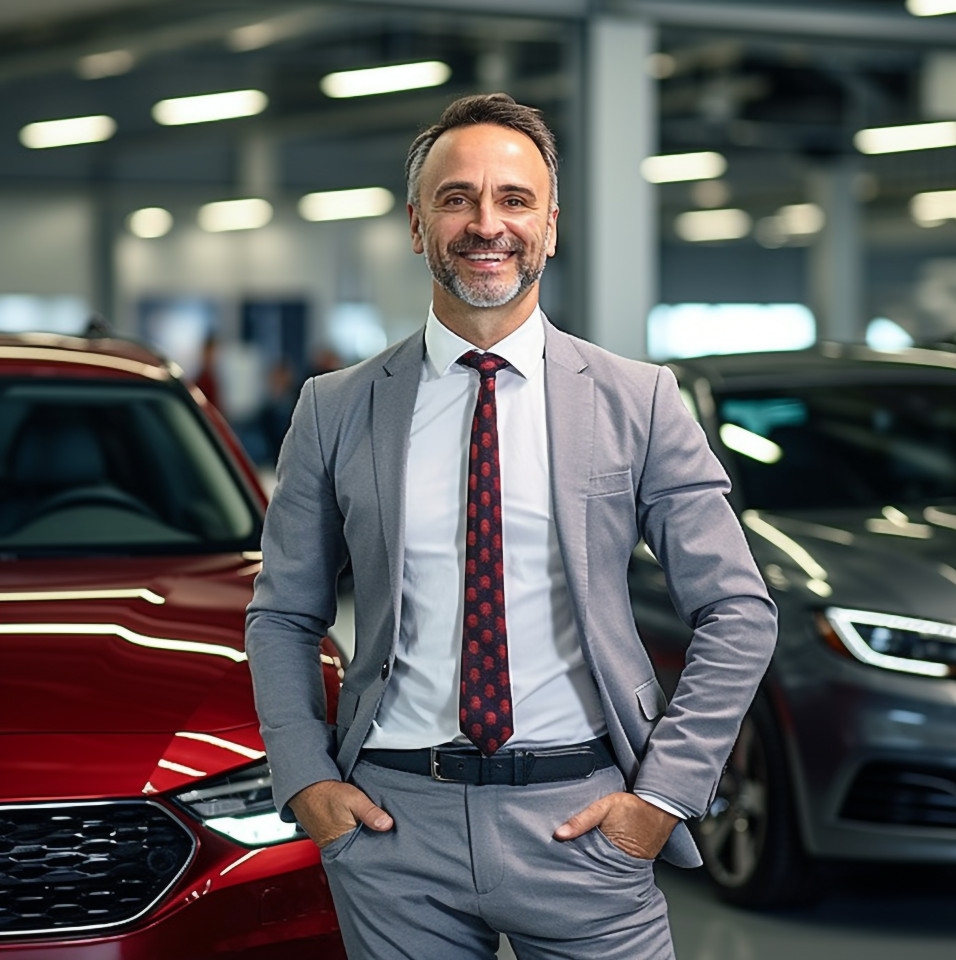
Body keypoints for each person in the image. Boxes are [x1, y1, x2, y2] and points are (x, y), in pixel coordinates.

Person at [246, 93, 778, 960]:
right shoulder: (334, 408)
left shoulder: (638, 401)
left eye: (514, 199)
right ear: (416, 225)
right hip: (392, 826)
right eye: (456, 199)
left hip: (584, 820)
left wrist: (662, 798)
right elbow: (282, 615)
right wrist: (306, 778)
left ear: (550, 227)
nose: (486, 224)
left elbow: (739, 611)